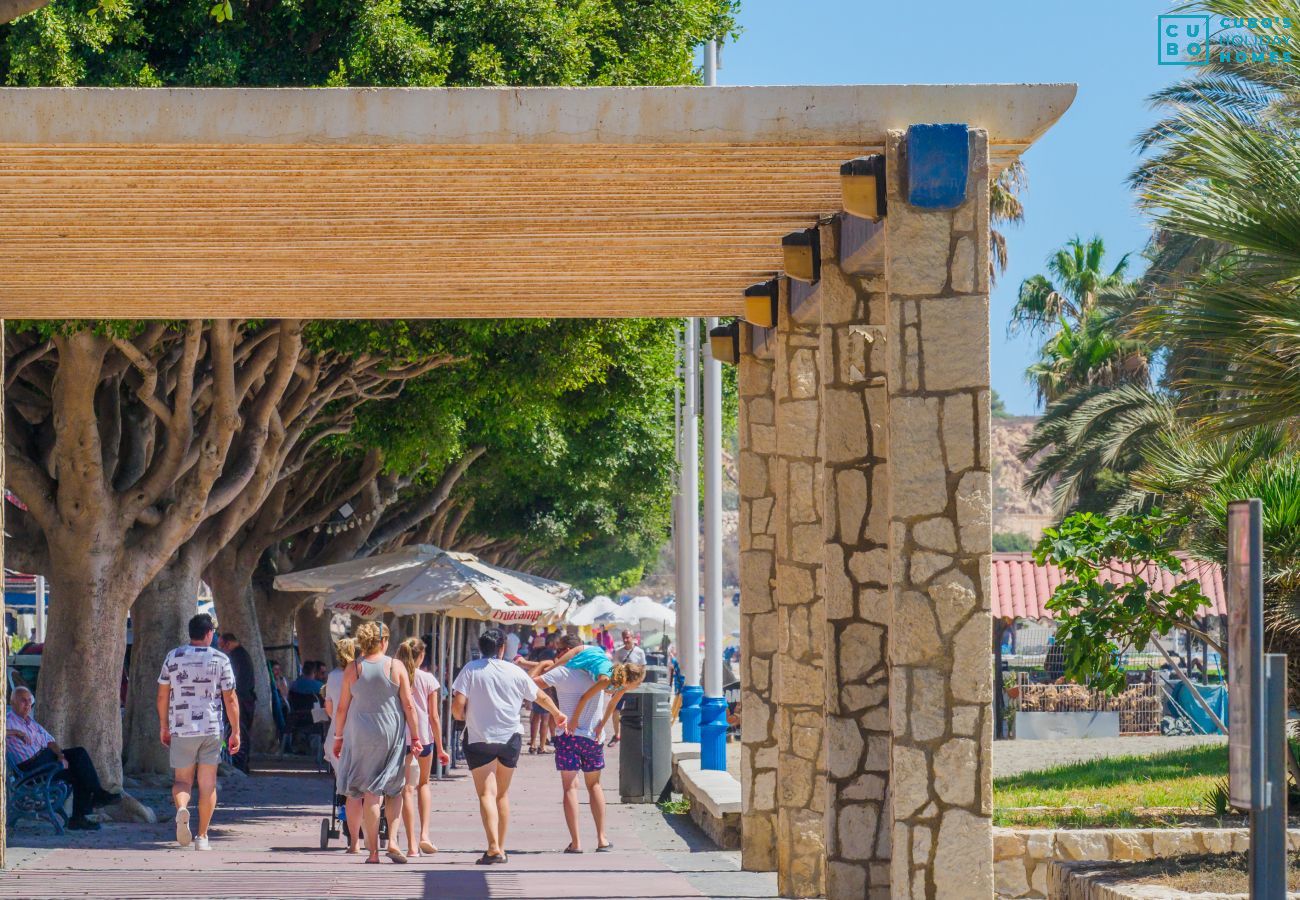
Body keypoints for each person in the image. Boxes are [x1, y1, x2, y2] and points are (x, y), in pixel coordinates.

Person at [451, 628, 567, 865]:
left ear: (482, 647)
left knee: (486, 793)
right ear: (502, 648)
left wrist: (464, 717)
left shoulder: (470, 670)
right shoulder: (515, 671)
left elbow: (457, 706)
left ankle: (493, 846)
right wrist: (557, 714)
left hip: (479, 737)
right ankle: (500, 849)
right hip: (510, 738)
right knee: (502, 794)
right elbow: (540, 697)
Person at [332, 622, 425, 864]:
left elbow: (342, 707)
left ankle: (371, 851)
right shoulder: (396, 666)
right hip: (390, 732)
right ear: (384, 641)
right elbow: (408, 705)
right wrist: (415, 736)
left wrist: (338, 737)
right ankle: (392, 840)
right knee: (393, 789)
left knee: (362, 792)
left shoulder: (353, 668)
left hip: (359, 733)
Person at [157, 613, 240, 851]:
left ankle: (182, 808)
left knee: (182, 781)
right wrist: (235, 730)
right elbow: (230, 697)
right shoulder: (220, 659)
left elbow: (163, 695)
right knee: (207, 784)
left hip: (182, 727)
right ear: (209, 634)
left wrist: (164, 725)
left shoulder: (173, 657)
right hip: (211, 728)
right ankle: (202, 836)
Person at [537, 635, 613, 853]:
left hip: (567, 736)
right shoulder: (596, 673)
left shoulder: (561, 672)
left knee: (570, 787)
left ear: (569, 650)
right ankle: (601, 839)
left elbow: (531, 687)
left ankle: (576, 843)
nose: (557, 655)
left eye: (559, 650)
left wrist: (541, 667)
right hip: (593, 737)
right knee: (595, 786)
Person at [5, 686, 118, 830]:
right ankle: (93, 800)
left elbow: (50, 741)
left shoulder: (31, 722)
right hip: (31, 768)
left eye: (29, 701)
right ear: (13, 702)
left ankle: (81, 816)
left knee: (80, 757)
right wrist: (15, 732)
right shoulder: (8, 720)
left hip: (47, 758)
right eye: (23, 701)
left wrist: (60, 756)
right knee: (80, 769)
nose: (27, 704)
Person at [394, 638, 451, 858]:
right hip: (424, 738)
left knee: (406, 789)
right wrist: (441, 747)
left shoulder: (395, 677)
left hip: (401, 737)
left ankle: (410, 845)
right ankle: (425, 835)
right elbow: (434, 716)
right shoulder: (429, 679)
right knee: (424, 784)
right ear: (421, 657)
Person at [539, 642, 646, 739]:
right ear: (630, 680)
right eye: (638, 683)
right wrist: (574, 720)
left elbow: (612, 704)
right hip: (587, 651)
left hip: (599, 658)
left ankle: (546, 665)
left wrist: (601, 725)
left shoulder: (623, 686)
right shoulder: (606, 680)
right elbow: (584, 697)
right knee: (552, 668)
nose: (639, 686)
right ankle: (547, 666)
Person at [217, 633, 256, 774]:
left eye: (221, 646)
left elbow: (234, 684)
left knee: (240, 733)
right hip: (245, 699)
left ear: (228, 644)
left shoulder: (236, 657)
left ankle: (240, 764)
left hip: (241, 701)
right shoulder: (241, 655)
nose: (221, 649)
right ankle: (241, 763)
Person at [324, 639, 358, 771]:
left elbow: (329, 708)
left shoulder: (333, 676)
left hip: (337, 729)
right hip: (359, 727)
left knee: (341, 775)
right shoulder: (361, 673)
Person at [609, 630, 646, 747]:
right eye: (624, 637)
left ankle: (635, 735)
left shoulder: (639, 652)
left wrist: (639, 683)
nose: (625, 640)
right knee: (615, 710)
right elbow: (614, 667)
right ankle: (617, 734)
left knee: (635, 711)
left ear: (633, 637)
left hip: (633, 687)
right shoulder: (618, 652)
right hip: (620, 686)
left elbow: (643, 669)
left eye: (628, 637)